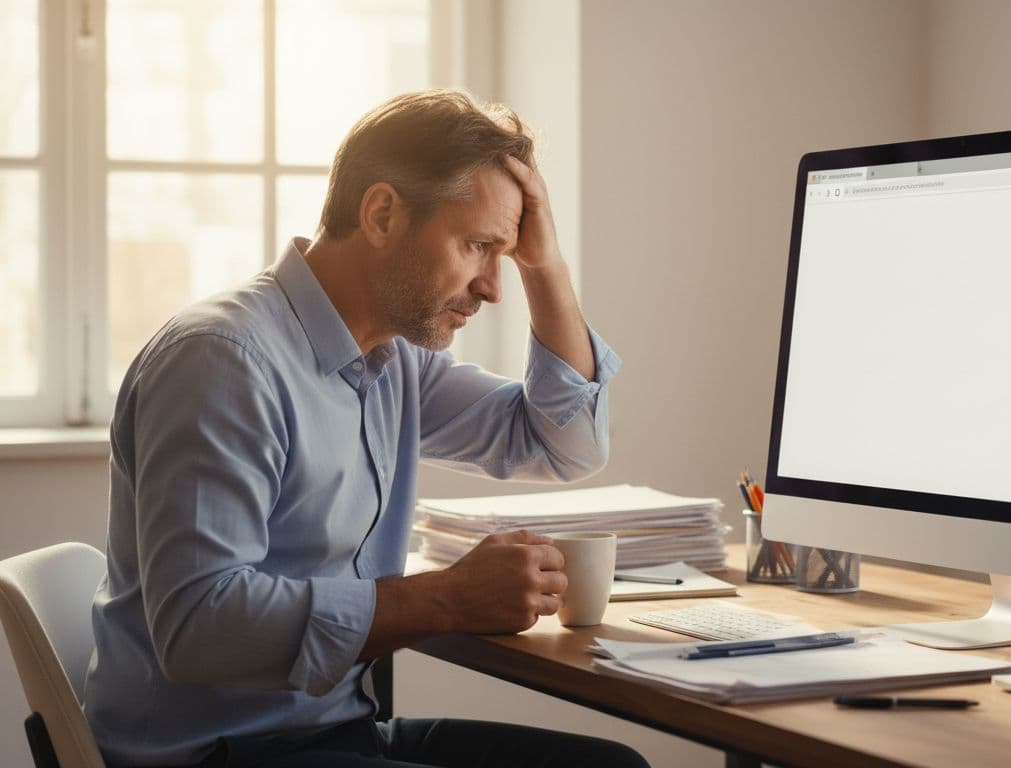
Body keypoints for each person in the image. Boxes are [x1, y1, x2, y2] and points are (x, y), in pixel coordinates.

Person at [83, 90, 648, 768]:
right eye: (477, 246)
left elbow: (564, 444)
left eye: (505, 254)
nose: (492, 287)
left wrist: (544, 266)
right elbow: (200, 626)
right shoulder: (224, 360)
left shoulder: (391, 359)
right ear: (381, 214)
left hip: (330, 733)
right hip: (219, 754)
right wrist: (444, 598)